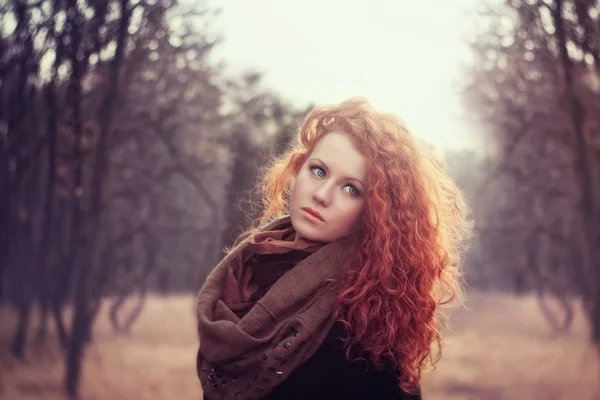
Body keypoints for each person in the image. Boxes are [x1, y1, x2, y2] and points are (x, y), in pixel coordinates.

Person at [195, 97, 472, 400]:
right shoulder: (244, 272)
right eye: (319, 171)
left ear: (373, 213)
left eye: (351, 189)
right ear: (298, 169)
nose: (322, 195)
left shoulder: (361, 327)